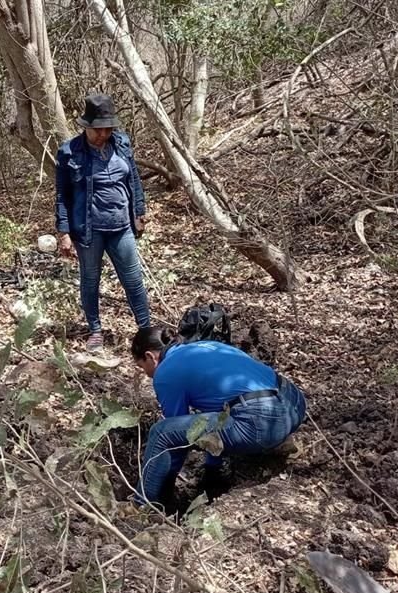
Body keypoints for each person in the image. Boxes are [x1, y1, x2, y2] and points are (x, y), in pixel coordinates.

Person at [130, 327, 307, 513]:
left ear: (150, 357)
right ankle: (278, 440)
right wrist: (212, 470)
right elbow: (219, 411)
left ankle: (141, 506)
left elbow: (174, 439)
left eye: (142, 367)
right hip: (294, 403)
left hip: (261, 419)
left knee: (160, 432)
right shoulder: (204, 346)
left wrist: (165, 486)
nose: (146, 374)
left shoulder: (165, 372)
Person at [55, 94, 151, 352]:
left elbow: (135, 182)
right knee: (90, 279)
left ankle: (146, 331)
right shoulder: (69, 152)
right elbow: (62, 194)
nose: (104, 134)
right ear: (86, 126)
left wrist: (139, 212)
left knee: (133, 280)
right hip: (89, 230)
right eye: (99, 129)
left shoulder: (122, 144)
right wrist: (63, 232)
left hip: (122, 226)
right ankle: (95, 330)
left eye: (109, 128)